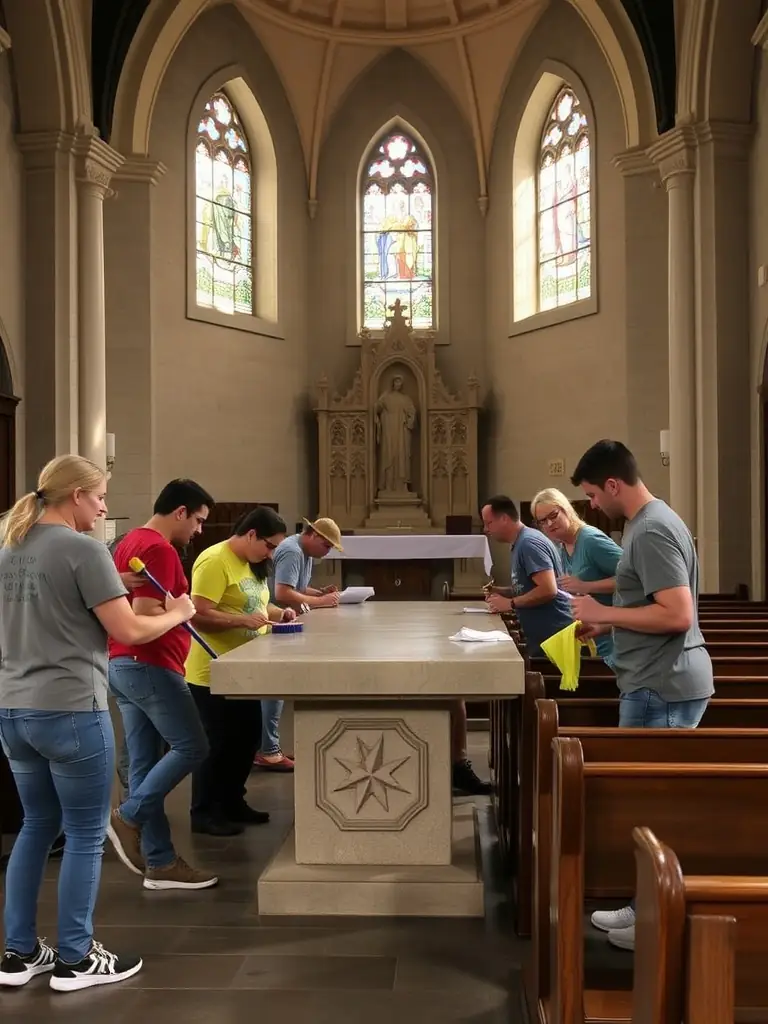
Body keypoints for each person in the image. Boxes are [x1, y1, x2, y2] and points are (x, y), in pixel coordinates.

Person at [0, 455, 195, 992]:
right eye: (102, 496)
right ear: (77, 496)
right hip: (69, 710)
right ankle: (77, 958)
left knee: (36, 826)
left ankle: (17, 955)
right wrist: (181, 611)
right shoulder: (84, 550)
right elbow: (130, 630)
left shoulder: (7, 546)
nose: (105, 506)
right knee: (85, 834)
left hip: (13, 710)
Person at [569, 439, 714, 952]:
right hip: (655, 676)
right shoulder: (649, 522)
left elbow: (677, 614)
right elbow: (645, 604)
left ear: (613, 484)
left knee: (656, 807)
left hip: (662, 683)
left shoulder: (650, 528)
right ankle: (641, 905)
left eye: (592, 494)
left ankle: (656, 923)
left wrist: (604, 614)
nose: (591, 506)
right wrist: (607, 629)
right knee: (646, 809)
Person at [108, 479, 218, 890]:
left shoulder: (129, 542)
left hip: (124, 665)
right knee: (194, 746)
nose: (199, 530)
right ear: (180, 512)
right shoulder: (160, 548)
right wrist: (181, 612)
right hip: (150, 664)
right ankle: (129, 817)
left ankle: (160, 862)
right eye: (199, 521)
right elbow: (144, 617)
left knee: (143, 764)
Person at [186, 505, 293, 835]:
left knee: (245, 740)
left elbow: (257, 606)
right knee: (217, 744)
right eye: (270, 545)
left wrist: (280, 613)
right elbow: (197, 614)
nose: (272, 552)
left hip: (244, 669)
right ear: (251, 535)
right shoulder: (215, 560)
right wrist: (241, 621)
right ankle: (204, 812)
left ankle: (233, 801)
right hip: (212, 670)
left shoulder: (252, 563)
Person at [256, 517, 342, 772]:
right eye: (326, 547)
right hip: (275, 621)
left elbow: (298, 588)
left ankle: (269, 746)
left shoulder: (302, 551)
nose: (326, 554)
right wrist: (323, 602)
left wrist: (319, 593)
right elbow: (282, 594)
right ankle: (268, 750)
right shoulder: (293, 550)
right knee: (273, 687)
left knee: (276, 687)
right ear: (313, 535)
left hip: (283, 620)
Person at [531, 487, 622, 666]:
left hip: (616, 641)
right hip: (592, 640)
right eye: (542, 521)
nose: (549, 524)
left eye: (553, 516)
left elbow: (637, 579)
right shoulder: (561, 547)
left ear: (566, 509)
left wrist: (587, 586)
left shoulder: (590, 540)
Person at [481, 495, 573, 656]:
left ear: (504, 519)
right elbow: (530, 586)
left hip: (555, 635)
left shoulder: (528, 543)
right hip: (546, 636)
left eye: (489, 523)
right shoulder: (521, 542)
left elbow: (548, 589)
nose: (486, 530)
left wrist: (510, 603)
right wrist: (503, 591)